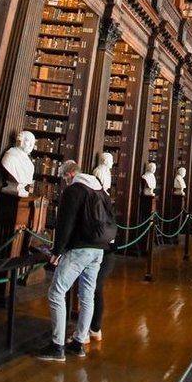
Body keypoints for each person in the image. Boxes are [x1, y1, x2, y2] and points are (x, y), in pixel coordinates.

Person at [36, 160, 109, 362]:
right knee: (87, 295)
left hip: (80, 249)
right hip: (99, 250)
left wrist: (57, 251)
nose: (64, 182)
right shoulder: (99, 189)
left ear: (68, 175)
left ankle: (57, 346)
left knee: (56, 292)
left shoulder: (74, 190)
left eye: (63, 178)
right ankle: (78, 343)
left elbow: (65, 223)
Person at [87, 154, 117, 345]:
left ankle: (90, 329)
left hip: (102, 251)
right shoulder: (102, 200)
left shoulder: (99, 202)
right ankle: (91, 328)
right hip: (101, 250)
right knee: (93, 290)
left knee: (93, 289)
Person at [0, 130, 36, 195]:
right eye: (28, 141)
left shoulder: (31, 166)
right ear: (20, 140)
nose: (31, 145)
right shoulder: (10, 156)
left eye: (32, 143)